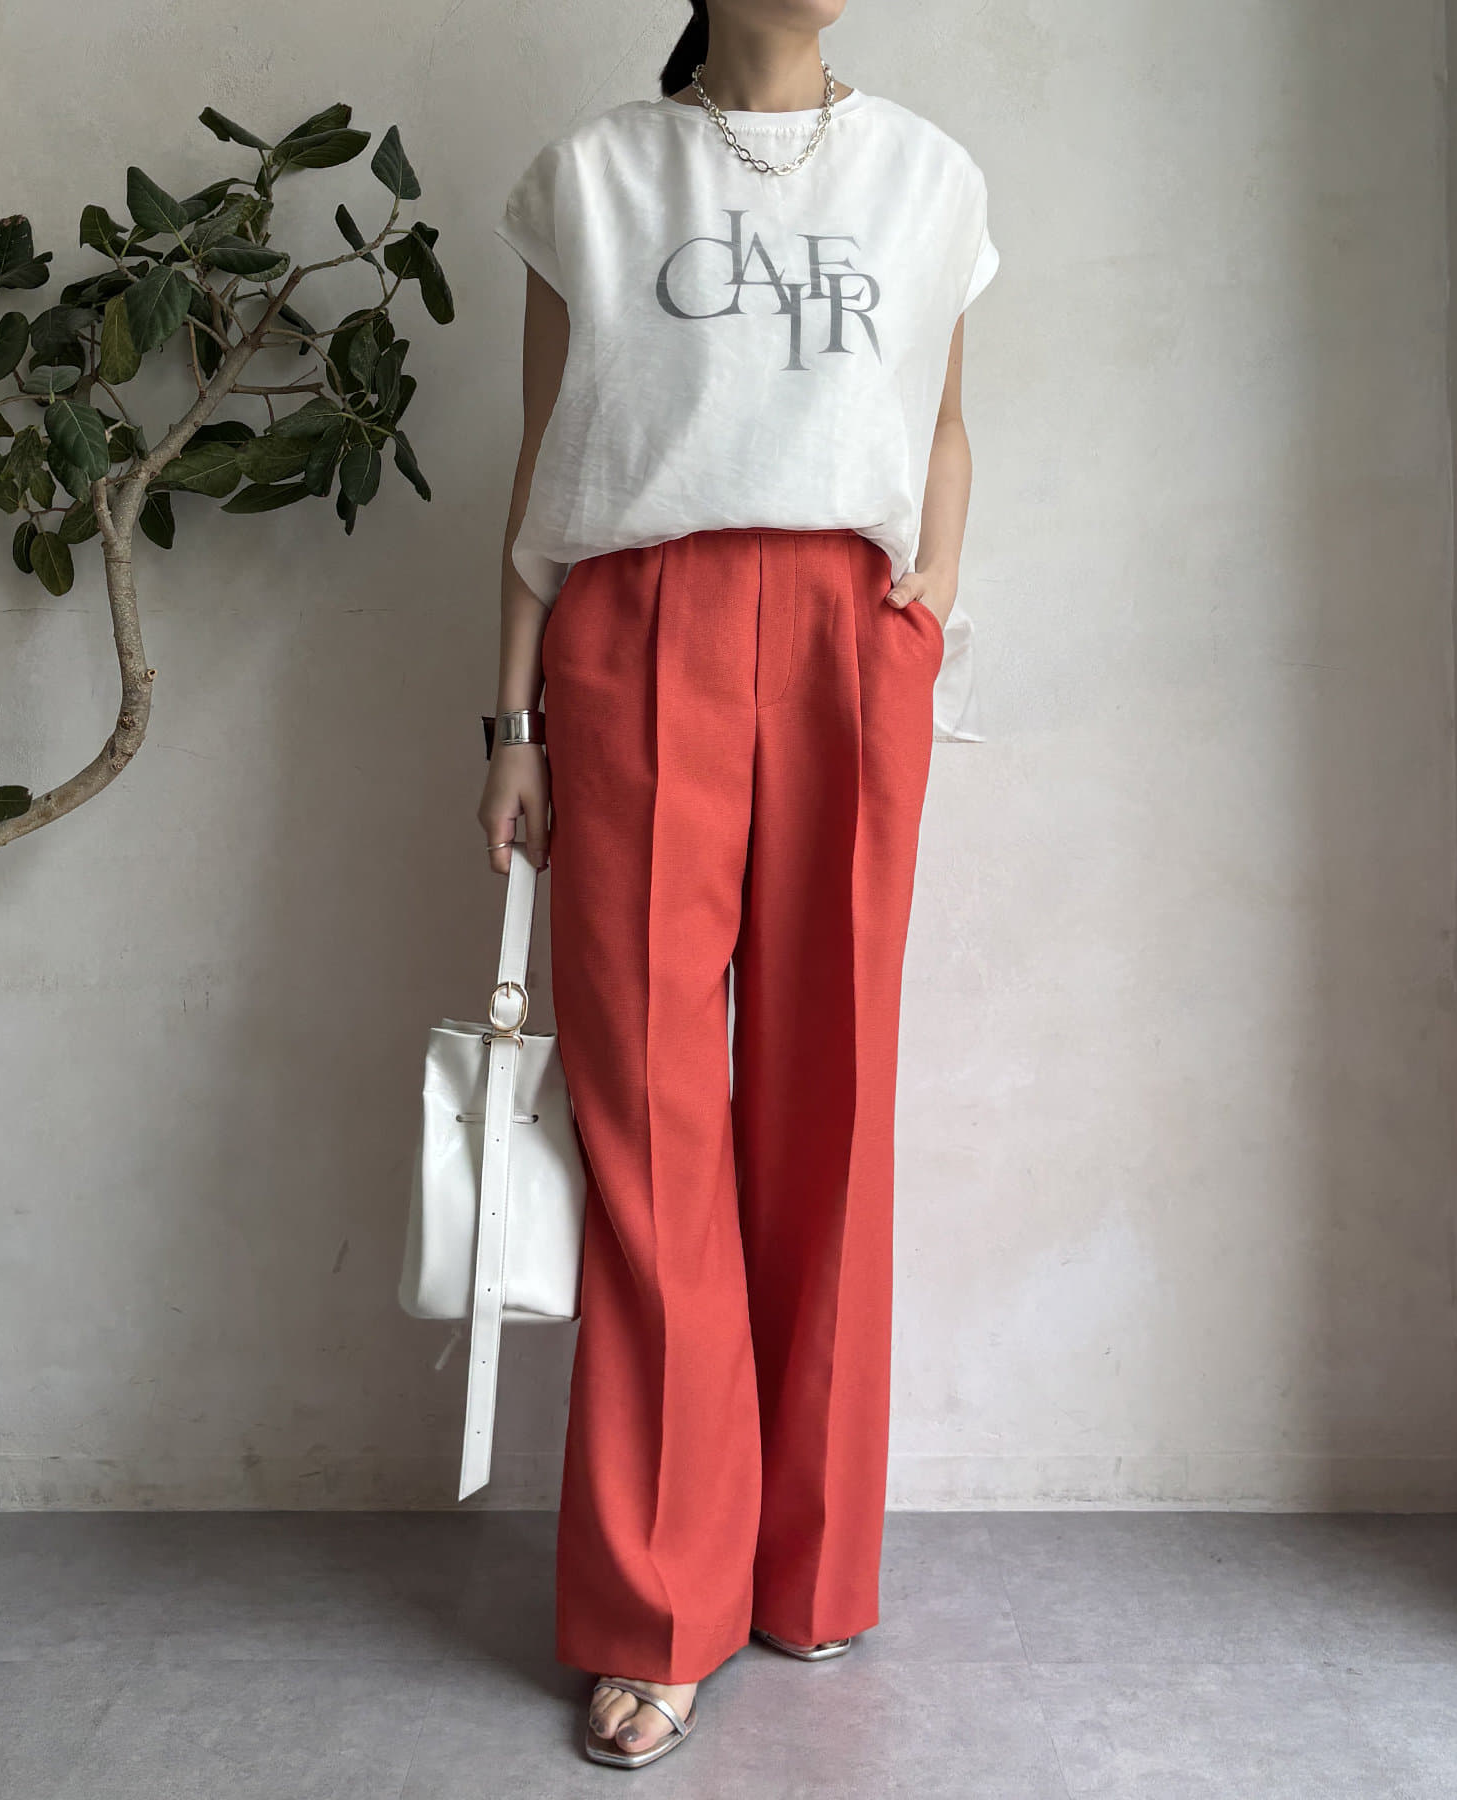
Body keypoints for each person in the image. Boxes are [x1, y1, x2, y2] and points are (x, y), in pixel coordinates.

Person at [478, 0, 1000, 1769]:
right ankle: (658, 1603)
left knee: (829, 1104)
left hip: (851, 640)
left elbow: (943, 423)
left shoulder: (929, 176)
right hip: (635, 632)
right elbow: (543, 467)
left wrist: (929, 598)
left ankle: (808, 1563)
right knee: (648, 1123)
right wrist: (512, 723)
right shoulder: (590, 179)